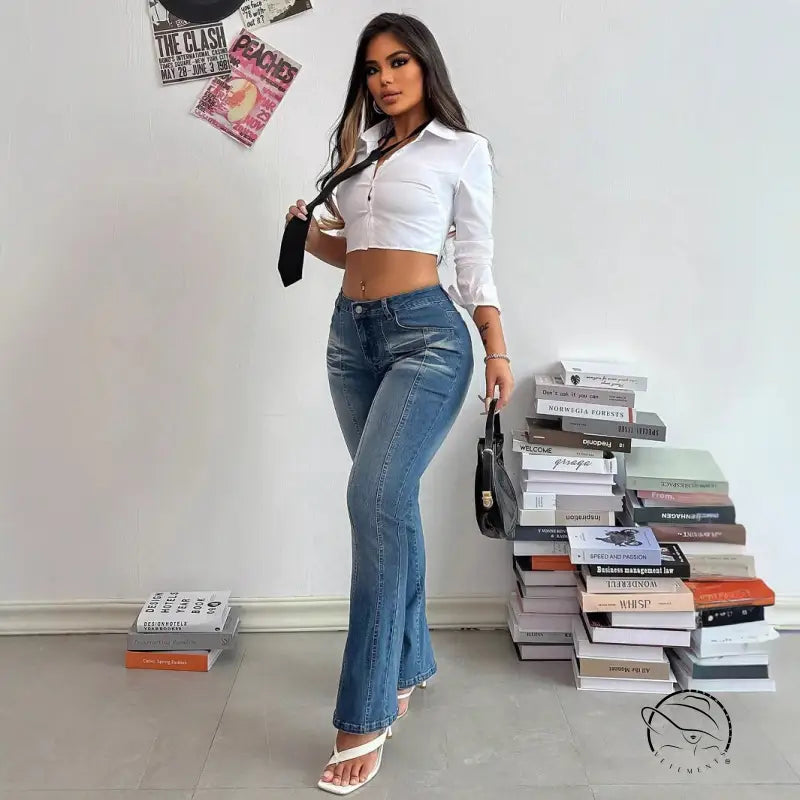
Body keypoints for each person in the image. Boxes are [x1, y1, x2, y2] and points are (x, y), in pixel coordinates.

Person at [284, 12, 514, 794]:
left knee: (372, 498)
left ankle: (366, 711)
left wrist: (497, 346)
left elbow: (474, 259)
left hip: (427, 341)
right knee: (391, 504)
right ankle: (410, 661)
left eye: (399, 62)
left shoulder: (462, 150)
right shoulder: (361, 154)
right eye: (373, 67)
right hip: (350, 339)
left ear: (426, 67)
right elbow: (355, 249)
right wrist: (305, 233)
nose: (384, 79)